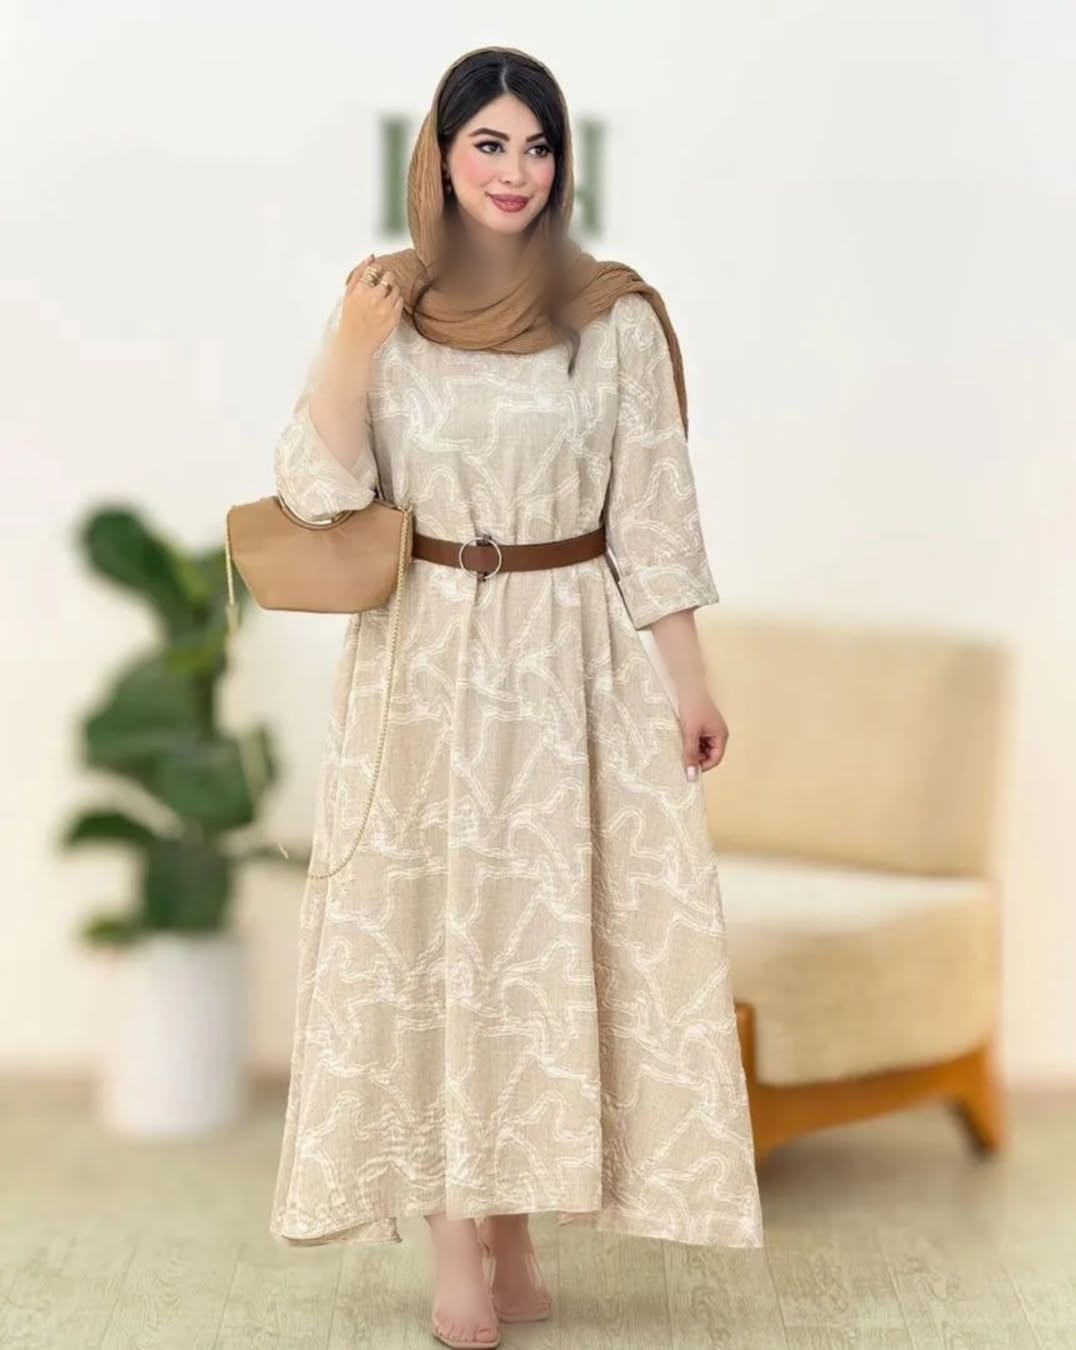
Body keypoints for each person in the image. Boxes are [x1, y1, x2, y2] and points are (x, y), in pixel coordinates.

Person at [267, 44, 764, 1350]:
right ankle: (456, 1247)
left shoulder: (612, 316)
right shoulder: (386, 304)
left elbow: (655, 513)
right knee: (439, 944)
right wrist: (351, 347)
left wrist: (690, 681)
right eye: (488, 143)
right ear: (439, 156)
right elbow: (317, 491)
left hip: (568, 667)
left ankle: (519, 1228)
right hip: (424, 665)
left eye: (536, 146)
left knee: (539, 952)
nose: (515, 171)